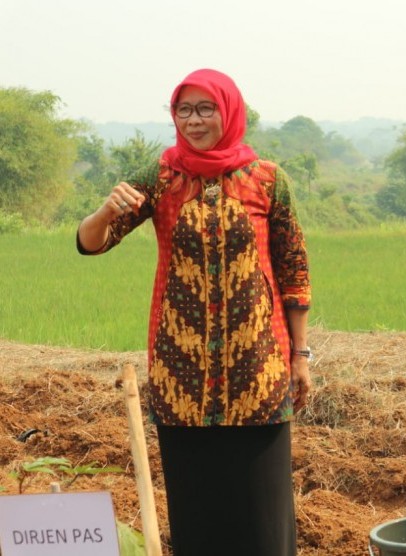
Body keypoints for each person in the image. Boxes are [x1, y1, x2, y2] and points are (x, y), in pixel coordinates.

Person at [77, 69, 312, 556]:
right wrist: (103, 212)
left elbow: (294, 271)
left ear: (228, 112)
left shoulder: (267, 180)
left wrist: (301, 355)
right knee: (198, 511)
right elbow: (91, 244)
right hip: (181, 375)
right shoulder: (161, 177)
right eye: (183, 110)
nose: (194, 120)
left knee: (262, 515)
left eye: (206, 108)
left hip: (259, 371)